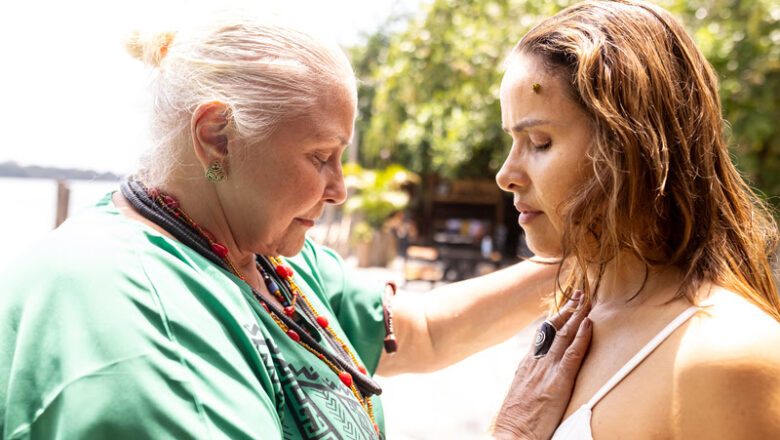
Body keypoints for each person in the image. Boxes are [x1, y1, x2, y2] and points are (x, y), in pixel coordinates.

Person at [0, 18, 591, 440]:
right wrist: (513, 432)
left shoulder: (262, 254)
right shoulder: (133, 313)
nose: (339, 188)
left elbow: (419, 333)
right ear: (217, 136)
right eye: (320, 156)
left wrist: (587, 255)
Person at [495, 0, 780, 438]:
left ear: (631, 149)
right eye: (513, 142)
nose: (505, 175)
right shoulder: (577, 317)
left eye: (539, 141)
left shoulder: (724, 356)